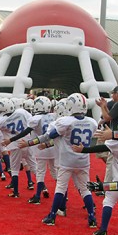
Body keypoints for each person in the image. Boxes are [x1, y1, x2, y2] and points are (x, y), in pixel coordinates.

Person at [21, 93, 98, 227]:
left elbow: (49, 136)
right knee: (85, 189)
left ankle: (52, 216)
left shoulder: (66, 122)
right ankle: (92, 217)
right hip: (83, 161)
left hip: (67, 160)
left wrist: (30, 143)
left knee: (60, 188)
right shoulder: (92, 122)